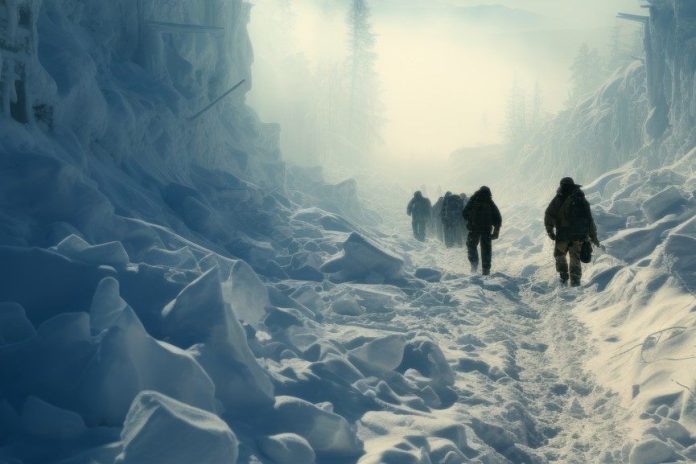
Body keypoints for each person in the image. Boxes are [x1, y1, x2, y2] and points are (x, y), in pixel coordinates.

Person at [544, 177, 600, 287]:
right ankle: (575, 283)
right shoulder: (581, 199)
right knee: (575, 259)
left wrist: (550, 231)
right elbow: (589, 219)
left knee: (559, 255)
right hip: (579, 236)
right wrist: (593, 237)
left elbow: (549, 215)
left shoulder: (559, 198)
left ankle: (563, 278)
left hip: (563, 235)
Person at [463, 186, 502, 275]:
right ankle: (486, 269)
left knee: (471, 246)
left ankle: (474, 265)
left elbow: (464, 213)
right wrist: (496, 231)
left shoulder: (473, 200)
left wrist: (470, 219)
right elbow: (498, 218)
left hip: (474, 229)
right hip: (486, 230)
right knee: (486, 249)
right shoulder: (490, 202)